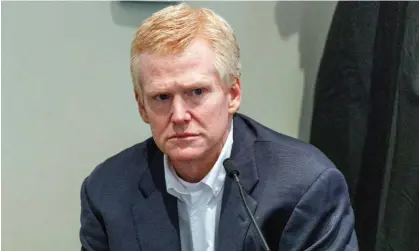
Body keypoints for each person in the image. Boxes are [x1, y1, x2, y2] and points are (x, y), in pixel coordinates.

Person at [79, 3, 359, 251]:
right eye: (161, 97)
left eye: (197, 92)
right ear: (142, 107)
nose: (179, 115)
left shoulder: (306, 186)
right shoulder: (106, 192)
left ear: (233, 94)